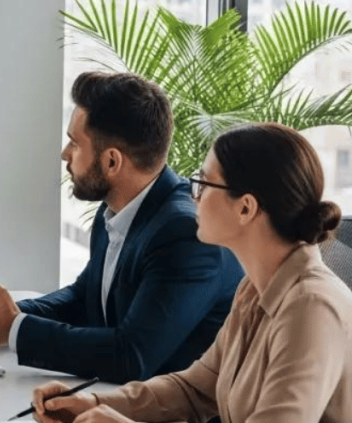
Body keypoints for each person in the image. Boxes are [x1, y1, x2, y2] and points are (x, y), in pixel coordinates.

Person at [31, 122, 352, 423]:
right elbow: (195, 388)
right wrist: (96, 404)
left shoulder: (311, 307)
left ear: (245, 208)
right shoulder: (254, 289)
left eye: (202, 182)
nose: (191, 194)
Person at [0, 72, 243, 384]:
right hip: (120, 400)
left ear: (112, 162)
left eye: (74, 143)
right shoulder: (116, 207)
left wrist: (12, 327)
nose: (65, 155)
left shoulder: (184, 235)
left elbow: (131, 356)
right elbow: (85, 298)